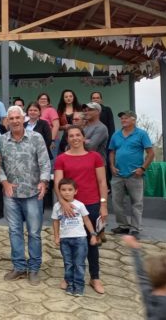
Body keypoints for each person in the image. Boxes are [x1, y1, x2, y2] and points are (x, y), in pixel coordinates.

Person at [53, 125, 108, 295]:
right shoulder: (61, 158)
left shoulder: (95, 157)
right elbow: (57, 183)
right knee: (69, 244)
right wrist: (63, 202)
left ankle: (94, 277)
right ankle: (69, 277)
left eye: (78, 135)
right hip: (70, 208)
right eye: (71, 136)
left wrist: (103, 204)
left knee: (93, 242)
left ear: (84, 138)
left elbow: (102, 182)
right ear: (67, 139)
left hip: (91, 205)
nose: (75, 138)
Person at [0, 105, 50, 285]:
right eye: (11, 118)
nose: (14, 121)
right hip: (11, 193)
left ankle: (34, 268)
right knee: (14, 231)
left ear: (24, 119)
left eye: (17, 118)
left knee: (34, 233)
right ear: (7, 121)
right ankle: (19, 266)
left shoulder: (36, 138)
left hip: (33, 193)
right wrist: (4, 181)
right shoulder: (2, 140)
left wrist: (44, 181)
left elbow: (45, 162)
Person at [109, 110, 154, 238]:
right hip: (117, 174)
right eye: (122, 118)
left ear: (133, 120)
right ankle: (123, 226)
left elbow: (151, 153)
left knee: (137, 203)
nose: (123, 120)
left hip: (135, 175)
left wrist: (142, 168)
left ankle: (135, 228)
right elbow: (111, 152)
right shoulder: (116, 135)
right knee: (117, 202)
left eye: (126, 118)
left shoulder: (141, 134)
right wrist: (112, 166)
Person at [52, 178, 98, 296]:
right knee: (68, 263)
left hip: (80, 239)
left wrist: (93, 234)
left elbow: (87, 220)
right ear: (59, 192)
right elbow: (55, 222)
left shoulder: (80, 205)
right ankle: (70, 284)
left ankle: (79, 286)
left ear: (75, 191)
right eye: (63, 190)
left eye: (70, 189)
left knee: (79, 263)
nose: (67, 192)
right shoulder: (57, 206)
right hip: (65, 240)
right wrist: (57, 237)